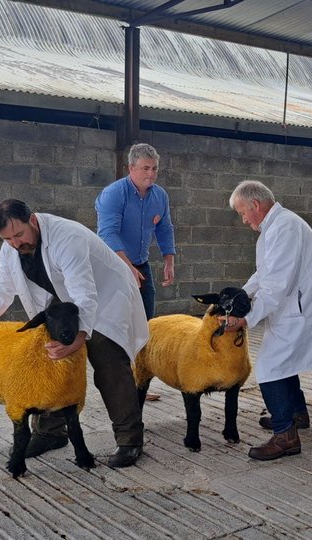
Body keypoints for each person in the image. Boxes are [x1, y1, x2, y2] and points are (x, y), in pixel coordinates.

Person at [0, 199, 149, 467]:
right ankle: (50, 433)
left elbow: (85, 292)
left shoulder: (66, 237)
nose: (15, 243)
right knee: (49, 355)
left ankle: (130, 440)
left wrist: (80, 338)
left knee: (107, 359)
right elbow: (2, 289)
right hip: (65, 298)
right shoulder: (11, 247)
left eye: (19, 234)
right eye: (7, 239)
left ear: (33, 221)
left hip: (107, 297)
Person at [217, 181, 312, 460]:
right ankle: (296, 413)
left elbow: (276, 285)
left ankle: (285, 435)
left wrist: (246, 319)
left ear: (256, 205)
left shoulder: (284, 227)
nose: (242, 219)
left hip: (300, 311)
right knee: (283, 363)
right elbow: (263, 275)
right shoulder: (275, 228)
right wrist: (239, 295)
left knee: (269, 367)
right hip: (293, 309)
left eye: (242, 212)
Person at [96, 143, 175, 401]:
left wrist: (169, 260)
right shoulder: (114, 194)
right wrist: (126, 267)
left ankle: (138, 381)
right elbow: (107, 232)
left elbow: (164, 228)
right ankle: (116, 385)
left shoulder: (159, 195)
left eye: (154, 169)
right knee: (117, 325)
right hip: (113, 266)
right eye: (144, 168)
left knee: (144, 324)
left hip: (140, 266)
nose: (150, 174)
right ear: (131, 168)